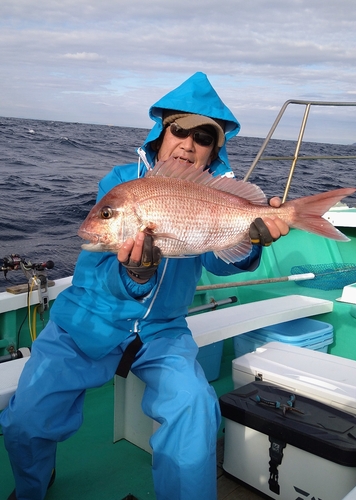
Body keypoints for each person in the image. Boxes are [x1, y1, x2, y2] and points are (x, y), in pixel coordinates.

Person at [0, 72, 289, 500]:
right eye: (180, 129)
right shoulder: (122, 182)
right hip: (87, 321)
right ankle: (32, 488)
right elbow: (98, 258)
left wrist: (249, 239)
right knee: (26, 418)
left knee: (195, 409)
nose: (189, 144)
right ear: (162, 131)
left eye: (204, 137)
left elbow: (219, 259)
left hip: (163, 331)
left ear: (215, 149)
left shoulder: (219, 193)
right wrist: (135, 274)